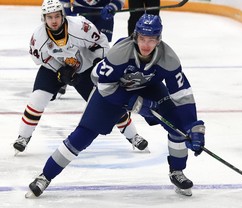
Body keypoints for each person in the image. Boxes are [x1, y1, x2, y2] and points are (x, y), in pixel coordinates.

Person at [25, 14, 205, 198]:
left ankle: (177, 171)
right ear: (135, 36)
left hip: (149, 88)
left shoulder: (169, 59)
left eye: (151, 40)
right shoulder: (120, 52)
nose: (146, 45)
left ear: (159, 40)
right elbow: (103, 85)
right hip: (110, 90)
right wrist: (133, 103)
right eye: (142, 39)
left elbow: (183, 95)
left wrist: (193, 126)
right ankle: (45, 176)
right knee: (83, 135)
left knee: (178, 126)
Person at [12, 0, 148, 156]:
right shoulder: (38, 38)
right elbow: (42, 60)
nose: (54, 21)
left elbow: (101, 43)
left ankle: (133, 136)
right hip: (55, 68)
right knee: (37, 98)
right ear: (44, 18)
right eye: (50, 17)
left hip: (85, 69)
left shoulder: (81, 27)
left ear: (63, 15)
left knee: (106, 102)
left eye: (57, 16)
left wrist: (99, 63)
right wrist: (60, 71)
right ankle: (23, 136)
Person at [58, 0, 125, 96]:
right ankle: (65, 76)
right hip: (80, 10)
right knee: (74, 45)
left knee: (100, 48)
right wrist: (65, 6)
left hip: (103, 11)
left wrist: (113, 6)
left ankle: (102, 80)